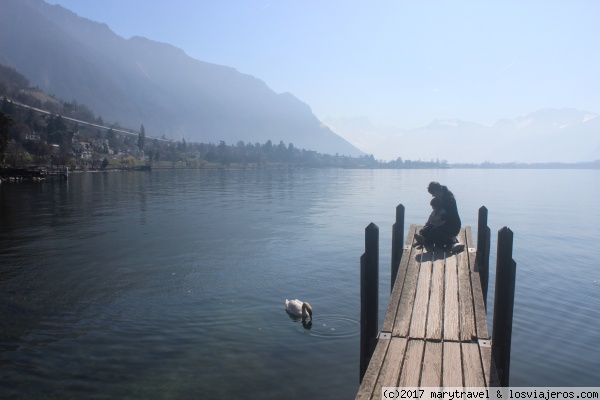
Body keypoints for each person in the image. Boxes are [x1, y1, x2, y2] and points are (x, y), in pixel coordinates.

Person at [414, 181, 464, 252]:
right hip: (443, 224)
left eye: (433, 194)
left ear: (436, 191)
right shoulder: (441, 198)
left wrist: (439, 218)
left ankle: (425, 241)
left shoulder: (449, 200)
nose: (433, 196)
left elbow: (451, 216)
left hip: (453, 227)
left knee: (435, 232)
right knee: (427, 230)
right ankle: (423, 238)